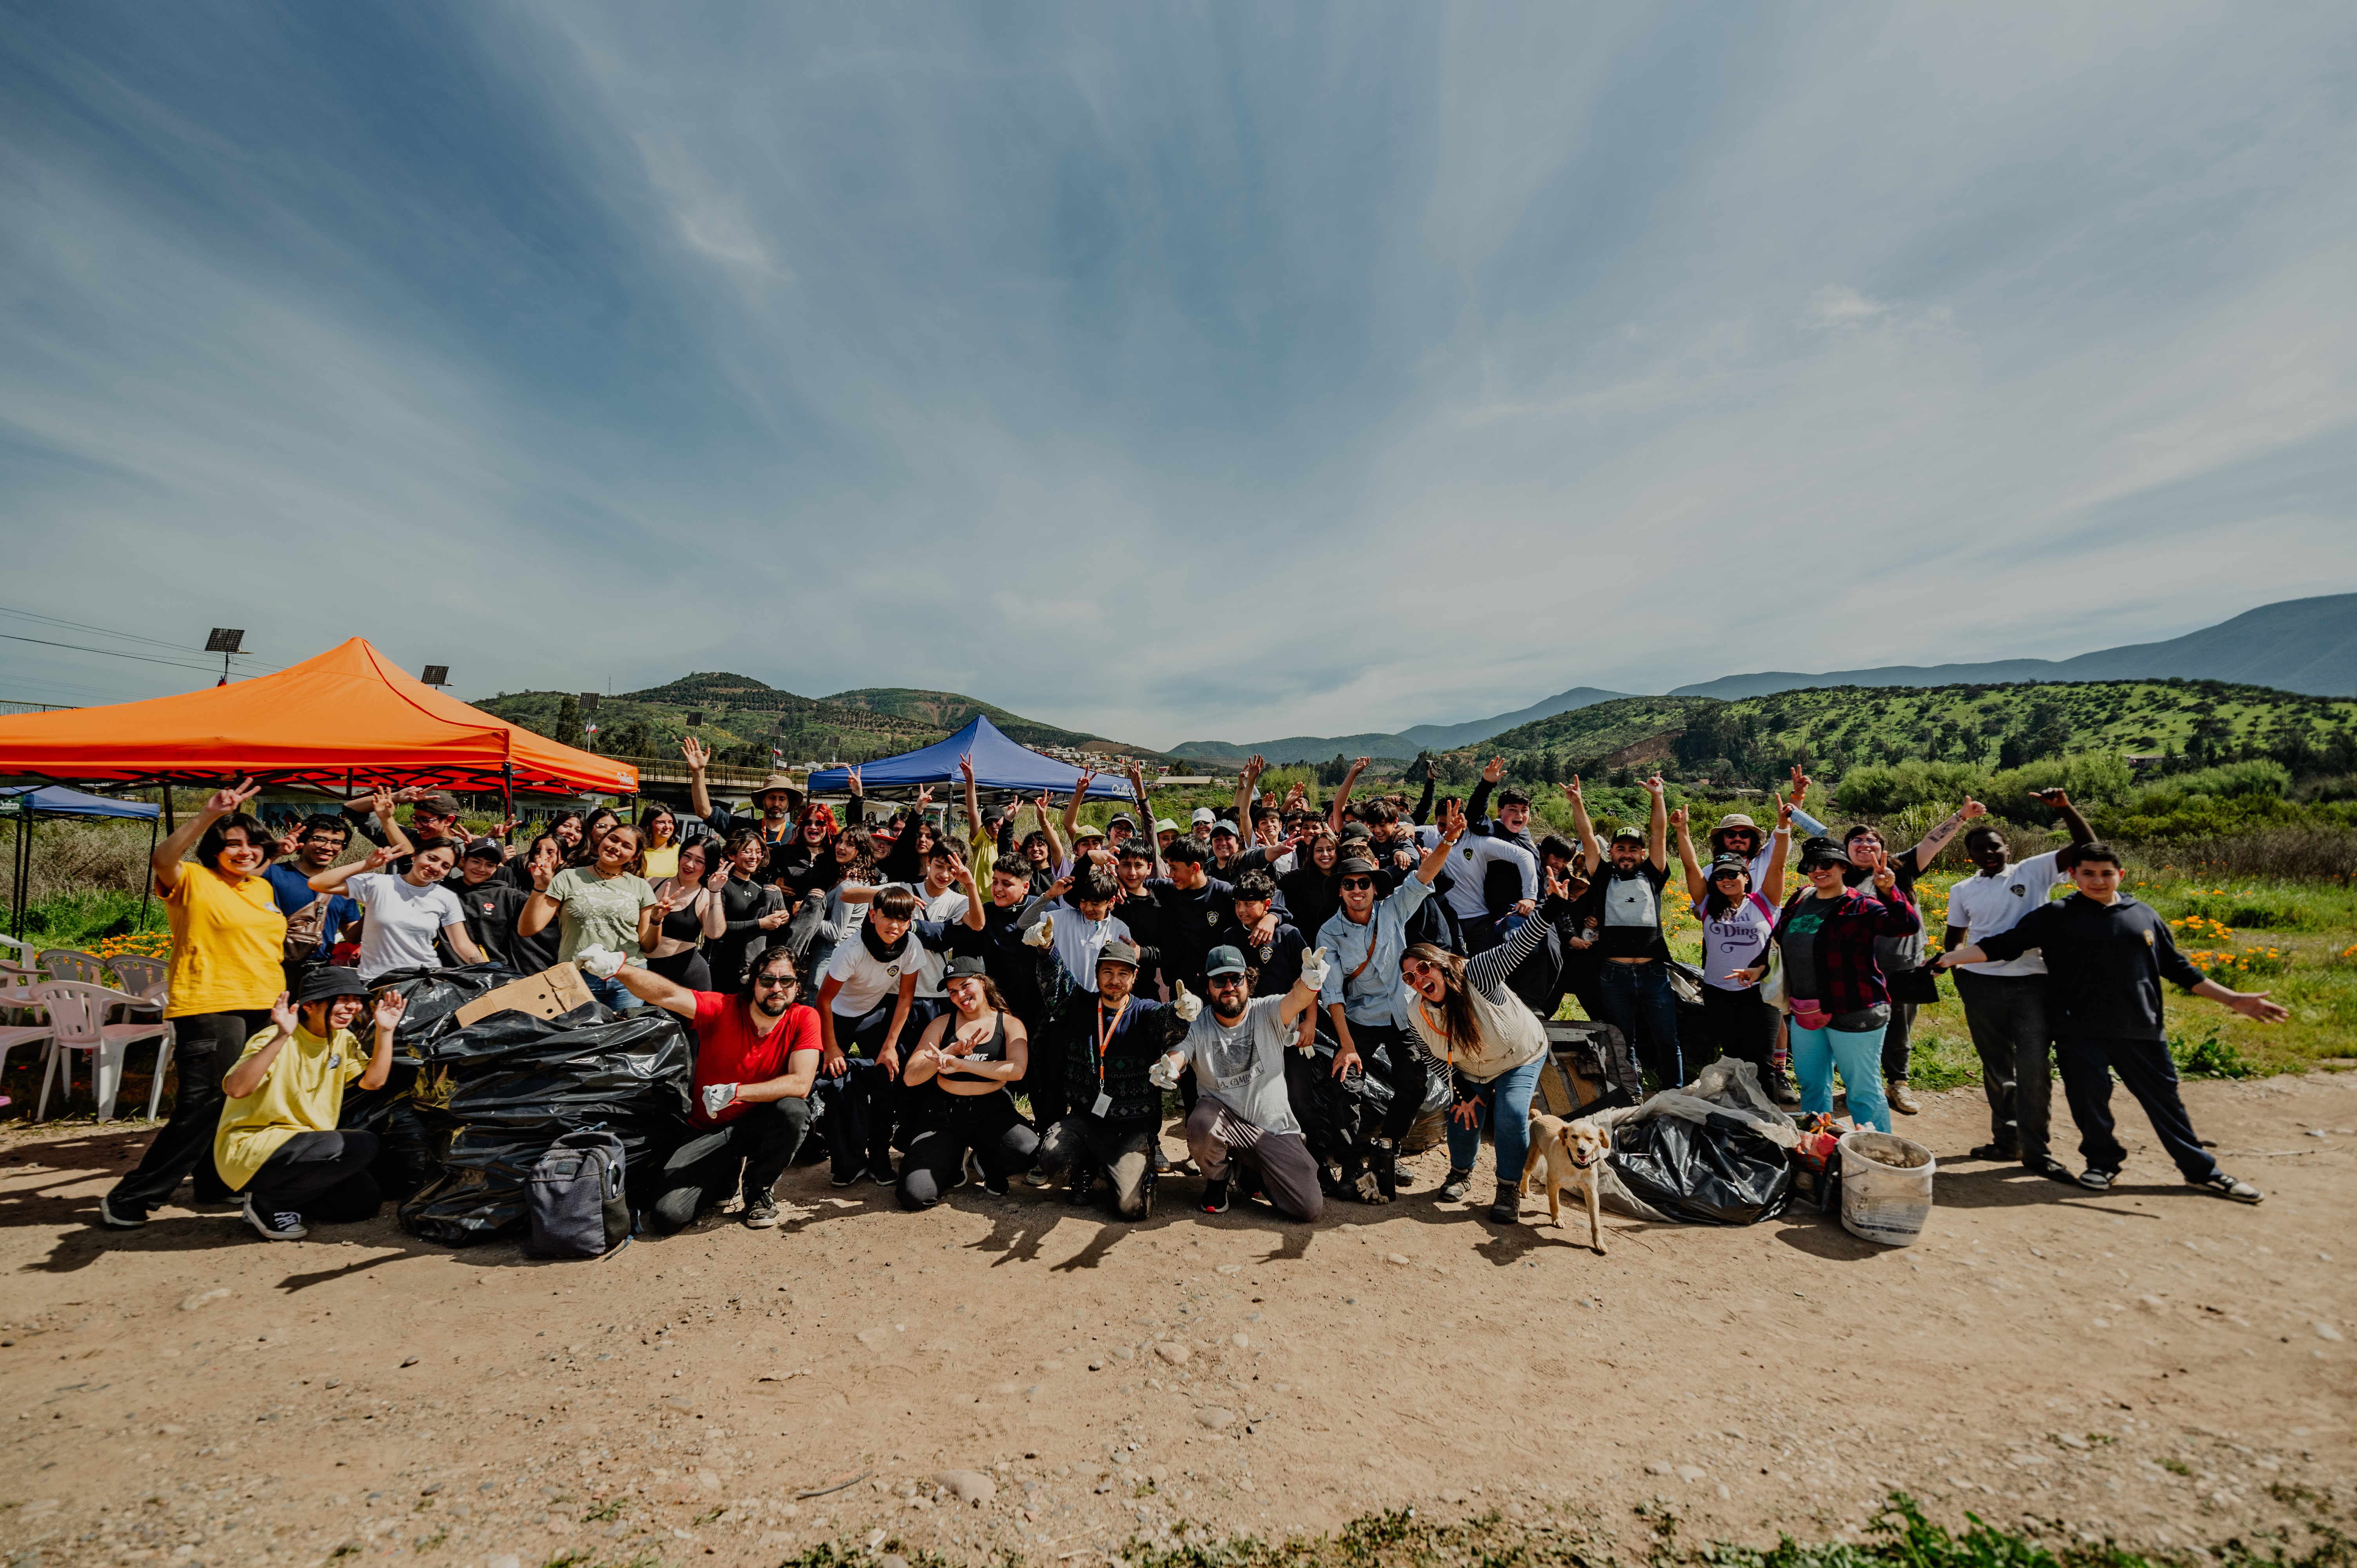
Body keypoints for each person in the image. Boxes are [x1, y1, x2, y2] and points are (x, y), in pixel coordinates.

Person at [1936, 841, 2283, 1201]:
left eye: (2106, 873)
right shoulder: (2055, 915)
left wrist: (2232, 999)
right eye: (2088, 873)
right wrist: (1950, 959)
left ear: (2121, 875)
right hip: (2078, 1032)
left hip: (2142, 1029)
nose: (2097, 881)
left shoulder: (2143, 914)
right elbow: (2004, 944)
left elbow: (2177, 967)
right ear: (2073, 875)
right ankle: (2102, 1163)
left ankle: (2202, 1170)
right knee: (2089, 1103)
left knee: (2166, 1103)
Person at [100, 780, 290, 1230]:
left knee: (239, 1102)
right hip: (211, 1004)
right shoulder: (192, 880)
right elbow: (162, 859)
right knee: (205, 1103)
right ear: (215, 849)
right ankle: (132, 1196)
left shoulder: (260, 890)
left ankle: (214, 1182)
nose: (244, 852)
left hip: (263, 1005)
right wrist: (209, 814)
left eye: (253, 844)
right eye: (233, 844)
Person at [1940, 788, 2096, 1181]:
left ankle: (2037, 1151)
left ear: (2007, 847)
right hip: (1980, 986)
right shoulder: (1962, 889)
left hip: (2031, 984)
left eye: (1995, 846)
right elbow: (1955, 938)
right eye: (1979, 849)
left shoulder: (2032, 871)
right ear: (1970, 855)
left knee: (2033, 1068)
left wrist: (2066, 809)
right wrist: (1961, 978)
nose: (1988, 853)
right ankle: (2007, 1141)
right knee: (1996, 1068)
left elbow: (2087, 847)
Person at [610, 946, 822, 1230]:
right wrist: (617, 967)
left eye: (786, 981)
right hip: (710, 1127)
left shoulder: (805, 1017)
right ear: (753, 982)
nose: (777, 989)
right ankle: (725, 1173)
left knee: (794, 1110)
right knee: (668, 1216)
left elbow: (801, 1083)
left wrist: (736, 1092)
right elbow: (667, 995)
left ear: (797, 986)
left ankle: (758, 1187)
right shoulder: (723, 1008)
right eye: (767, 980)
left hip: (759, 1123)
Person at [1318, 801, 1464, 1202]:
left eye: (1364, 883)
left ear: (1374, 886)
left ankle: (1389, 1147)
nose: (1357, 890)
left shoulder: (1393, 909)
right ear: (1341, 890)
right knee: (1345, 1085)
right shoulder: (1329, 933)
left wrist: (1448, 840)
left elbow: (1423, 876)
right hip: (1360, 1019)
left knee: (1415, 1084)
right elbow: (1332, 993)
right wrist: (1346, 1045)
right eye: (1349, 885)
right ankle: (1351, 1164)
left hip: (1404, 1015)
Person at [1732, 837, 1917, 1134]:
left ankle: (1875, 1151)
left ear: (1843, 867)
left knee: (1862, 1090)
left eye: (1826, 863)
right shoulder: (1801, 899)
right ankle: (1818, 1146)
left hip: (1854, 1009)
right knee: (1812, 1085)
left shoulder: (1861, 905)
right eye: (1811, 865)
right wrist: (1759, 967)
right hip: (1806, 1011)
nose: (1818, 870)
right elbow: (1778, 938)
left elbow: (1906, 926)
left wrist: (1889, 890)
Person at [211, 968, 406, 1241]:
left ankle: (275, 1196)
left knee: (362, 1203)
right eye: (342, 999)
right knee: (362, 1144)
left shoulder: (342, 1039)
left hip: (304, 1149)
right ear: (310, 1005)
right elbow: (237, 1089)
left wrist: (386, 1031)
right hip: (251, 1149)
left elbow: (373, 1083)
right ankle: (268, 1205)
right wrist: (281, 1036)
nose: (353, 1006)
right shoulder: (273, 1037)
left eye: (356, 1000)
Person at [1397, 913, 1556, 1223]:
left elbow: (1518, 946)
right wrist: (1464, 1091)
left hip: (1519, 1054)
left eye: (1423, 968)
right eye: (1409, 978)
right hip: (1471, 1067)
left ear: (1440, 964)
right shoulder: (1418, 1013)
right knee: (1462, 1113)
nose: (1419, 979)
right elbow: (1430, 1055)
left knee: (1511, 1114)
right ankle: (1461, 1173)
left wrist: (1550, 906)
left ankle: (1508, 1188)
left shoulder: (1477, 974)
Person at [1152, 943, 1331, 1219]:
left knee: (1309, 1207)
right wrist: (1169, 1067)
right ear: (1208, 986)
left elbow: (1297, 999)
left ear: (1248, 981)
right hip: (1225, 1126)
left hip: (1274, 1132)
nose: (1229, 987)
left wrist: (1309, 980)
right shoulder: (1198, 1025)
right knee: (1201, 1123)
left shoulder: (1268, 1011)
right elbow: (1180, 1053)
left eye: (1236, 979)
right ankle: (1218, 1180)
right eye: (1219, 980)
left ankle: (1250, 1172)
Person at [1837, 802, 1984, 1116]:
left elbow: (1931, 843)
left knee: (1900, 1027)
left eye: (1872, 839)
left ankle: (1898, 1083)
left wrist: (1961, 817)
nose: (1865, 844)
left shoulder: (1900, 868)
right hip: (1859, 968)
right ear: (1846, 848)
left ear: (1883, 847)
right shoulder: (1840, 878)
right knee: (1859, 1028)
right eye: (1857, 840)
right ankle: (1861, 1084)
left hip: (1905, 965)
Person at [1035, 941, 1190, 1219]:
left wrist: (1180, 1015)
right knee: (1050, 1155)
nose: (1115, 980)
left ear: (1134, 977)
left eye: (1123, 973)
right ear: (1097, 973)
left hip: (1131, 1128)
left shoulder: (1144, 1011)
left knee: (1131, 1210)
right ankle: (1086, 1167)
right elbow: (1058, 984)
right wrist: (1047, 950)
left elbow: (1165, 1022)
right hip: (1086, 1121)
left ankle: (1142, 1169)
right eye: (1108, 972)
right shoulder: (1080, 1005)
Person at [1563, 775, 1681, 1087]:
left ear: (1642, 854)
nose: (1627, 853)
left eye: (1633, 849)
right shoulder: (1603, 877)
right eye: (1620, 848)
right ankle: (1631, 1094)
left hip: (1653, 973)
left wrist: (1658, 797)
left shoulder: (1653, 874)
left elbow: (1659, 834)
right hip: (1614, 974)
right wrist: (1578, 802)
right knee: (1622, 1041)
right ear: (1612, 852)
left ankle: (1675, 1095)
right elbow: (1587, 836)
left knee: (1667, 1040)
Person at [896, 955, 1039, 1206]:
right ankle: (952, 1161)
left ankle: (985, 1162)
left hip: (993, 1111)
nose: (960, 995)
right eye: (953, 991)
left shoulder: (1010, 1024)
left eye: (965, 986)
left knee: (1031, 1152)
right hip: (946, 1116)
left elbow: (1017, 1070)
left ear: (983, 982)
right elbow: (910, 1077)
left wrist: (962, 1064)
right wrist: (950, 1050)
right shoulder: (941, 1024)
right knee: (915, 1194)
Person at [815, 884, 926, 1187]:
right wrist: (832, 1047)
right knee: (834, 1084)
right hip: (836, 1016)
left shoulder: (911, 946)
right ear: (873, 915)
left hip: (871, 1015)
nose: (894, 925)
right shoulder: (852, 950)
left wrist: (889, 1046)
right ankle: (846, 1162)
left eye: (902, 919)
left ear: (909, 922)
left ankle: (879, 1156)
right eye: (888, 917)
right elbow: (823, 1000)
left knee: (887, 1080)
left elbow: (905, 998)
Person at [1674, 799, 1790, 1082]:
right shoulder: (1708, 906)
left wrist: (1784, 826)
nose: (1726, 879)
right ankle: (1739, 1108)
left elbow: (1778, 866)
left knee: (1762, 1065)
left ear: (1746, 877)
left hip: (1760, 989)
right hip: (1719, 992)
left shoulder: (1764, 902)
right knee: (1734, 1060)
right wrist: (1682, 830)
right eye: (1720, 875)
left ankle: (1767, 1109)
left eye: (1733, 874)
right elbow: (1690, 866)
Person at [518, 823, 660, 1009]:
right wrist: (540, 887)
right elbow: (528, 930)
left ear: (635, 857)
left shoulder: (641, 887)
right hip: (578, 975)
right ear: (602, 840)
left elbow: (648, 946)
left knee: (624, 1029)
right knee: (580, 1028)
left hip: (628, 976)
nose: (616, 847)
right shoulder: (568, 878)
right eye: (613, 839)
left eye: (626, 846)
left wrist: (657, 920)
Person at [307, 838, 486, 980]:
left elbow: (461, 944)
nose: (436, 868)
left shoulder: (446, 897)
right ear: (415, 856)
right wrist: (367, 865)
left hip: (422, 981)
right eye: (432, 858)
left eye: (445, 866)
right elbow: (318, 883)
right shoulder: (377, 884)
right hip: (375, 980)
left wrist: (487, 969)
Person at [265, 809, 375, 983]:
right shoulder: (272, 874)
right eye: (320, 839)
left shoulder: (342, 887)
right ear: (303, 840)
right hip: (271, 968)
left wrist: (372, 909)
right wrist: (274, 852)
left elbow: (352, 936)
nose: (327, 847)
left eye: (337, 842)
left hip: (320, 974)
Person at [449, 836, 556, 974]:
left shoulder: (508, 896)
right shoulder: (443, 889)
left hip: (491, 974)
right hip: (442, 971)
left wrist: (541, 887)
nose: (481, 869)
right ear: (463, 861)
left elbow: (537, 917)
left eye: (490, 865)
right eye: (476, 862)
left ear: (496, 869)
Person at [704, 828, 794, 991]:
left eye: (759, 852)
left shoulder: (759, 889)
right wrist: (761, 923)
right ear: (731, 855)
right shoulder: (720, 886)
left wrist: (781, 918)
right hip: (719, 963)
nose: (754, 857)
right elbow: (717, 928)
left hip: (749, 968)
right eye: (747, 851)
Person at [645, 837, 726, 991]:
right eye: (687, 856)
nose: (690, 864)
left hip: (686, 974)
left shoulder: (706, 896)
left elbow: (715, 933)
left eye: (699, 861)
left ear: (708, 866)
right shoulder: (651, 883)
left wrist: (716, 891)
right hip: (644, 969)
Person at [636, 803, 687, 882]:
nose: (667, 827)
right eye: (661, 822)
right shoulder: (637, 850)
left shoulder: (682, 852)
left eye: (671, 822)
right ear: (649, 825)